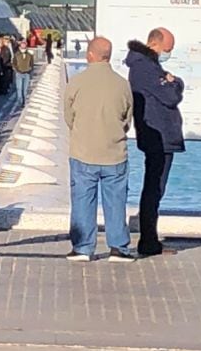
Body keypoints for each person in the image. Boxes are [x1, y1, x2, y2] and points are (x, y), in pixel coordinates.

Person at [64, 37, 135, 263]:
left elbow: (69, 117)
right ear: (109, 55)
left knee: (83, 200)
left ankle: (83, 248)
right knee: (116, 201)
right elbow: (127, 119)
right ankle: (118, 248)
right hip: (114, 153)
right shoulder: (122, 83)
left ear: (90, 55)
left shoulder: (76, 82)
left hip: (83, 151)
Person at [125, 27, 184, 258]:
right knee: (154, 187)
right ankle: (148, 242)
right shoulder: (145, 67)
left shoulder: (146, 66)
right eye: (167, 49)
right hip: (157, 135)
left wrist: (171, 81)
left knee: (156, 187)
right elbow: (170, 96)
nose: (168, 53)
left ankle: (150, 240)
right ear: (155, 45)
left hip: (159, 134)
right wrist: (177, 82)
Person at [12, 41, 35, 106]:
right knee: (19, 88)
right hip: (19, 73)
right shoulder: (17, 54)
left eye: (24, 46)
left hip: (27, 73)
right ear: (19, 47)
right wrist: (16, 70)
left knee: (25, 89)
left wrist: (30, 70)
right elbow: (14, 63)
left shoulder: (29, 55)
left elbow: (32, 63)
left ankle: (23, 101)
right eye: (22, 46)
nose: (23, 47)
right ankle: (20, 101)